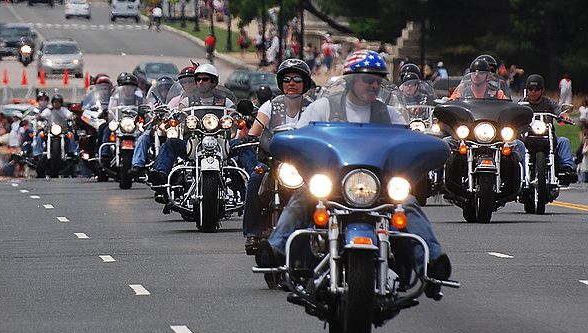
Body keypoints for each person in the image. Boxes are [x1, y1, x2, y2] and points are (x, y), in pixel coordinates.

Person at [258, 50, 451, 298]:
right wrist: (286, 142)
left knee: (408, 204)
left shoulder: (390, 114)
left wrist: (427, 145)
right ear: (350, 80)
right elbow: (299, 138)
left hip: (378, 187)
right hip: (333, 184)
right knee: (301, 198)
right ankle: (275, 250)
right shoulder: (322, 107)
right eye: (366, 79)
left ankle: (433, 263)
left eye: (377, 79)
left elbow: (408, 139)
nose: (372, 84)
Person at [241, 59, 313, 254]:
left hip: (303, 163)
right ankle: (253, 232)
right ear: (281, 83)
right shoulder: (270, 106)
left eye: (297, 79)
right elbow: (255, 132)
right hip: (273, 161)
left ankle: (316, 230)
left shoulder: (313, 108)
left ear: (305, 83)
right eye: (287, 79)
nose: (292, 83)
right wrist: (247, 138)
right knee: (255, 178)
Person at [151, 64, 234, 186]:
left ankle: (253, 177)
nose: (200, 82)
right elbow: (180, 113)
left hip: (221, 143)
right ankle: (160, 174)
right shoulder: (187, 101)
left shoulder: (225, 101)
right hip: (193, 143)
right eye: (198, 79)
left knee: (243, 145)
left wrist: (238, 117)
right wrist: (174, 117)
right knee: (171, 143)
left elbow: (234, 113)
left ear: (214, 81)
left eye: (205, 79)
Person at [523, 74, 577, 182]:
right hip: (527, 139)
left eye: (536, 89)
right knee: (513, 145)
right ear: (527, 89)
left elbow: (558, 111)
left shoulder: (549, 103)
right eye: (530, 89)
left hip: (547, 138)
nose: (533, 92)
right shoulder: (521, 104)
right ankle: (514, 172)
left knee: (564, 141)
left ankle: (567, 170)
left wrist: (563, 117)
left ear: (542, 90)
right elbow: (513, 115)